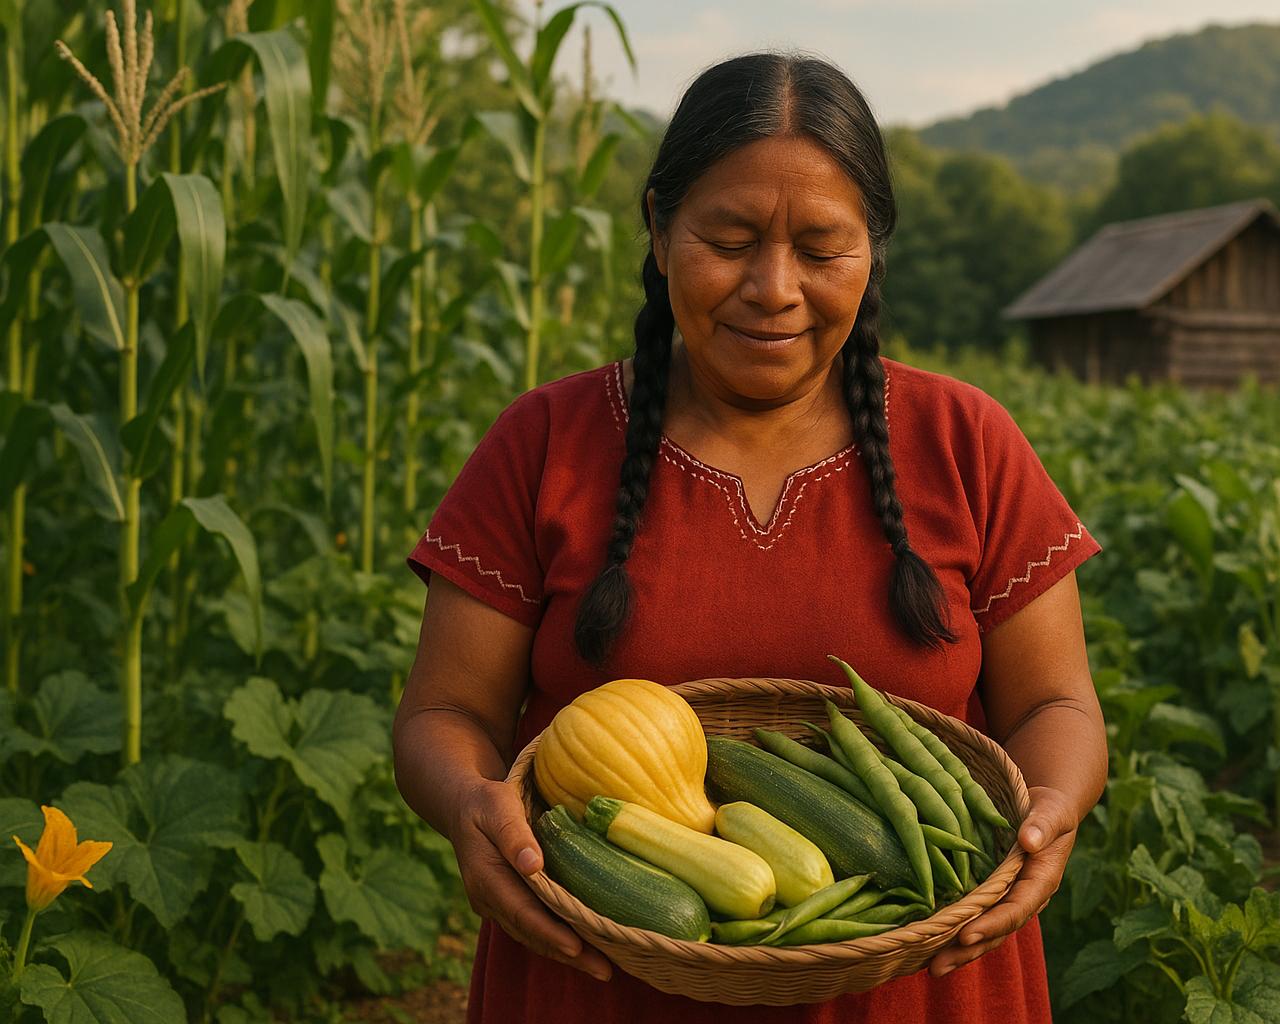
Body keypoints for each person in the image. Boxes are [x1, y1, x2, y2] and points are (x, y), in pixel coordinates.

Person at [393, 51, 1107, 1024]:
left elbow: (1058, 700)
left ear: (874, 249)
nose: (773, 288)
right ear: (657, 225)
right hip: (603, 981)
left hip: (918, 987)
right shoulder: (546, 442)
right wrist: (468, 804)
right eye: (728, 238)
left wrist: (1051, 811)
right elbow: (445, 715)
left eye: (822, 250)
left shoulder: (964, 441)